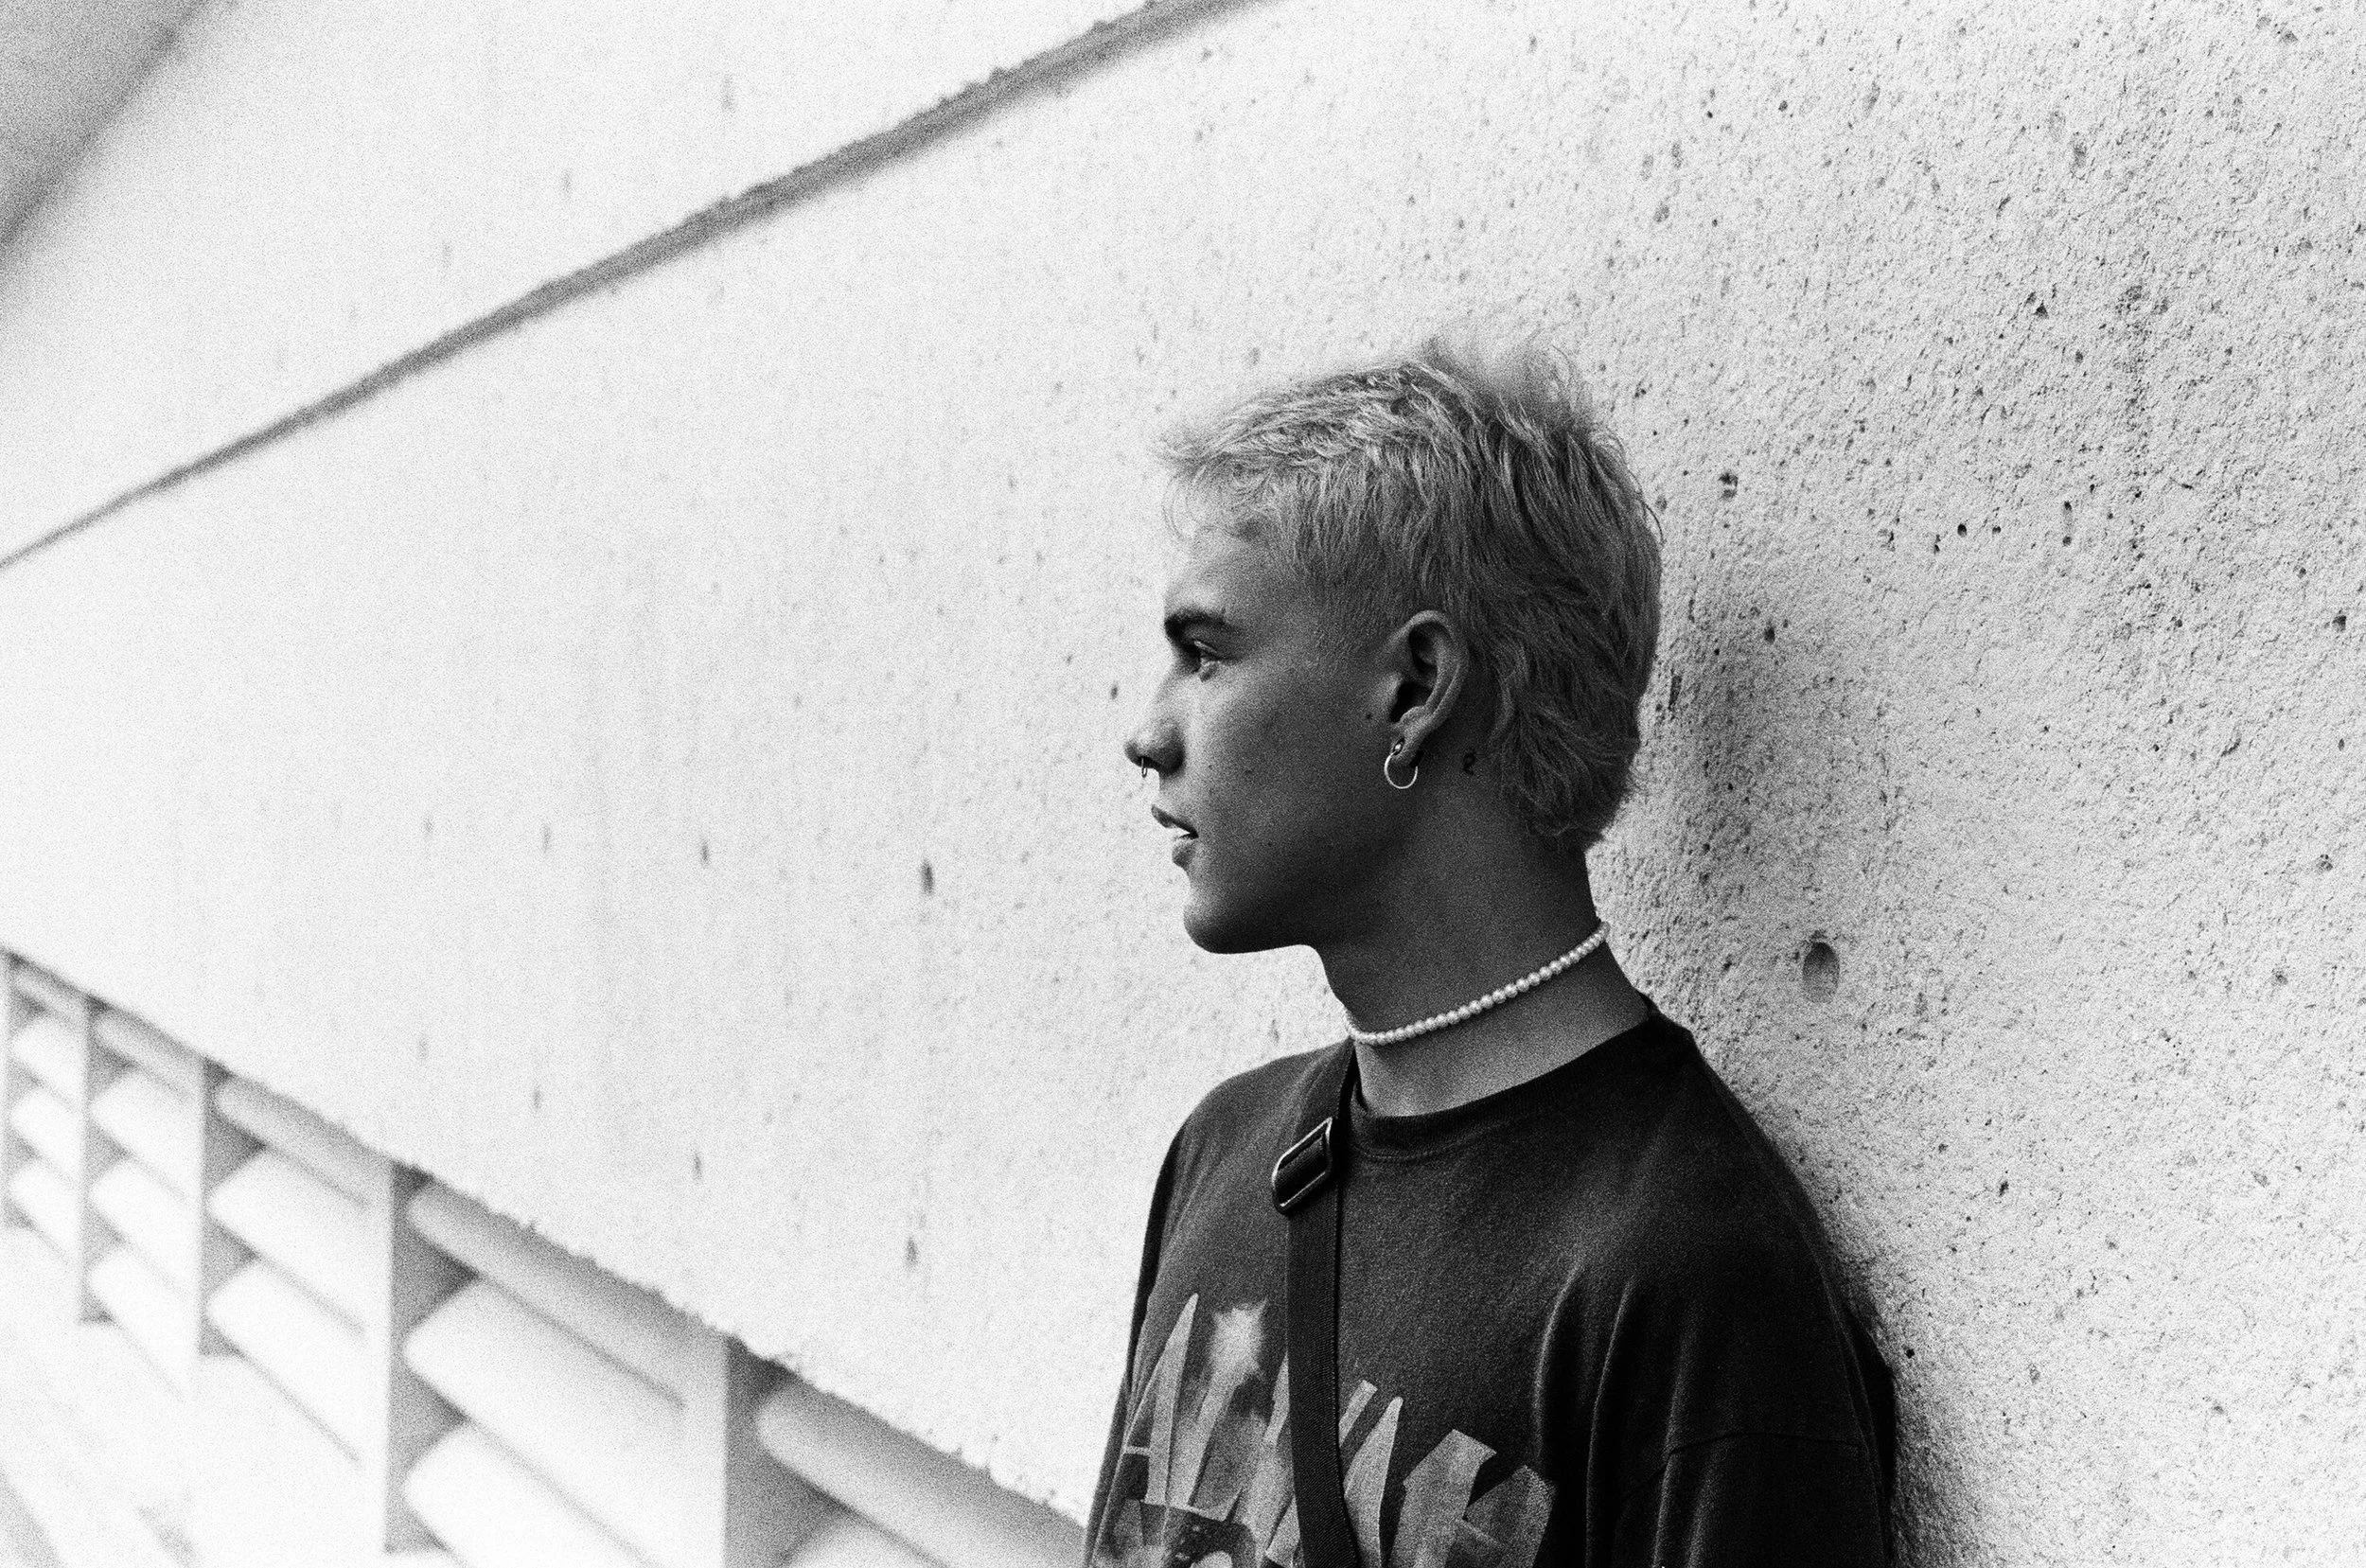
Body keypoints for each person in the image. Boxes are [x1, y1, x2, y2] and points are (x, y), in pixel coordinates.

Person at [1094, 343, 1896, 1568]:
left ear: (1416, 688)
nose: (1149, 734)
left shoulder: (1685, 1275)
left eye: (1208, 653)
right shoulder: (1224, 1155)